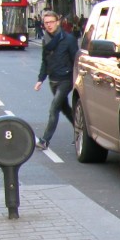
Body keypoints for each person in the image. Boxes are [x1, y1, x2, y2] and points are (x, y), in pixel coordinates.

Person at [32, 10, 78, 151]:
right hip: (53, 79)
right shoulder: (46, 40)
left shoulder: (68, 39)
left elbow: (76, 60)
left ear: (58, 22)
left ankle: (45, 140)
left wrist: (76, 79)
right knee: (64, 109)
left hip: (66, 79)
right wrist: (40, 79)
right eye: (46, 23)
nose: (49, 25)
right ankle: (82, 132)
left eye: (51, 22)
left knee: (54, 108)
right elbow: (45, 61)